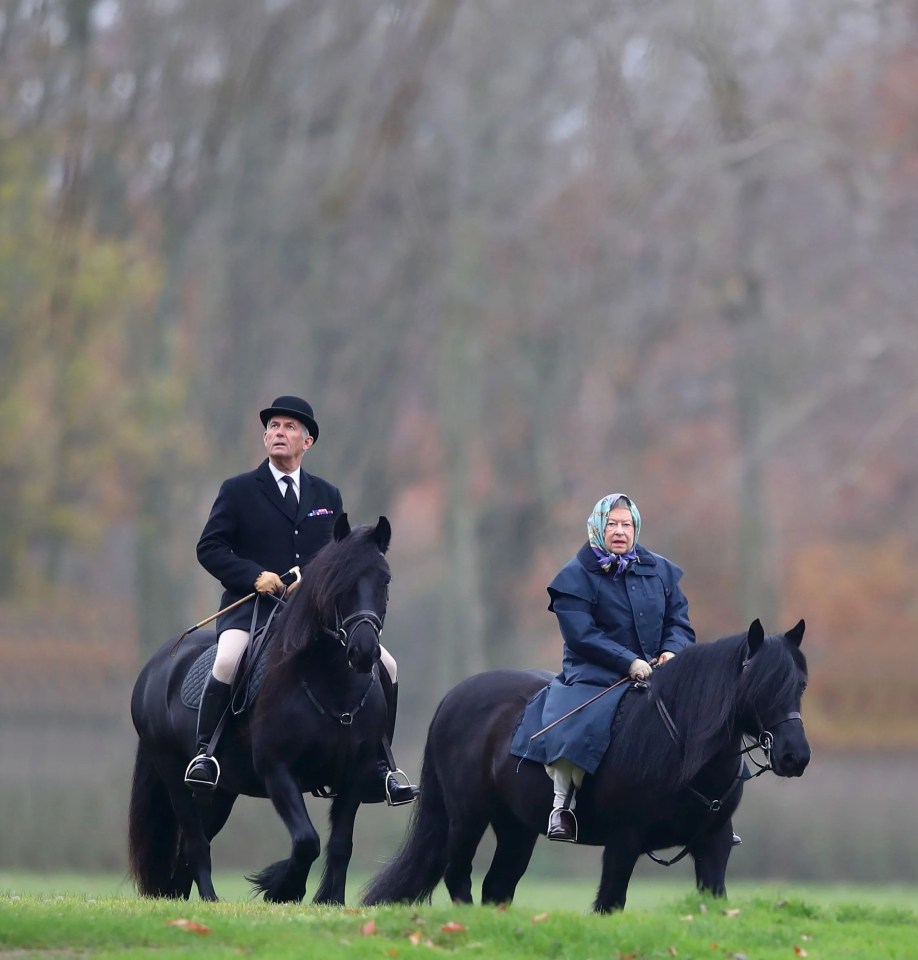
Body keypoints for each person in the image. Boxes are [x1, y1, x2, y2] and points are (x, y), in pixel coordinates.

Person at [184, 395, 419, 806]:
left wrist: (311, 581)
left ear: (307, 442)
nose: (279, 433)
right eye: (273, 427)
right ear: (265, 438)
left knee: (388, 665)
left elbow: (341, 558)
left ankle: (380, 765)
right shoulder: (238, 491)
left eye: (289, 427)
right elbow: (210, 547)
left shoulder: (327, 495)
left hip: (314, 617)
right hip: (251, 611)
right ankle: (207, 753)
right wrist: (254, 576)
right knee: (226, 660)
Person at [510, 493, 695, 843]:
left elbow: (679, 622)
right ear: (598, 527)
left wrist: (672, 651)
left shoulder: (662, 570)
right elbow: (581, 635)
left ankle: (715, 813)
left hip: (659, 671)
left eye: (627, 524)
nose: (620, 531)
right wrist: (628, 662)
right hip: (594, 674)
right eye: (612, 524)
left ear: (636, 528)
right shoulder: (574, 576)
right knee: (576, 723)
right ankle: (561, 807)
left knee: (705, 718)